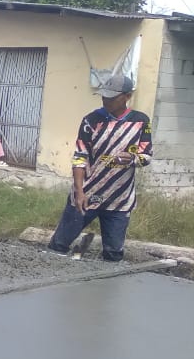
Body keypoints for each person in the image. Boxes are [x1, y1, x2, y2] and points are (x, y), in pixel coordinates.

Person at [47, 74, 151, 262]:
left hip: (119, 199)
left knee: (113, 253)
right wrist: (79, 191)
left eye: (112, 97)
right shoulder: (91, 121)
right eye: (104, 96)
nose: (106, 100)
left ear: (127, 96)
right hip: (87, 194)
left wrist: (132, 159)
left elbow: (146, 156)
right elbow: (80, 157)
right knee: (59, 244)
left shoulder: (141, 122)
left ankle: (106, 289)